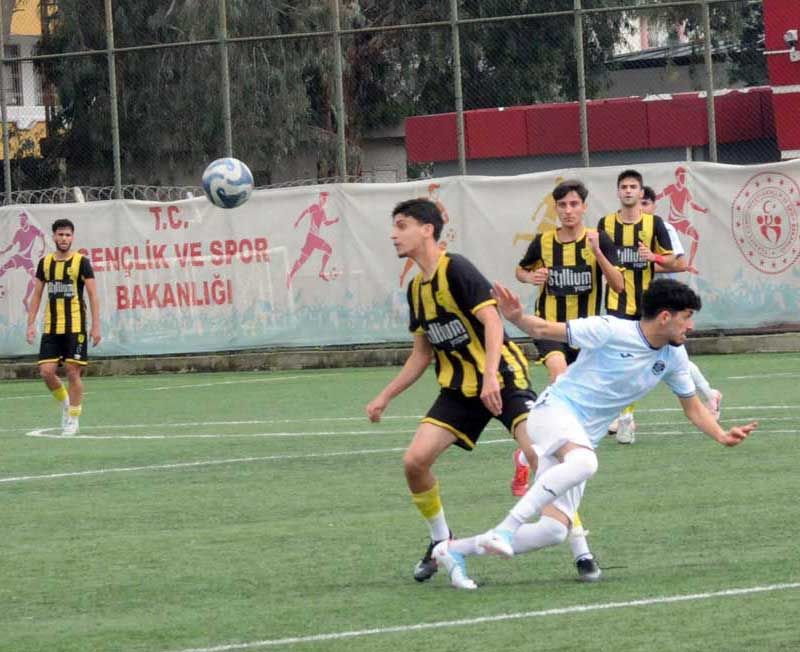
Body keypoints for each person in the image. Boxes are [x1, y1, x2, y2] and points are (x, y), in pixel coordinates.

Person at [431, 278, 757, 590]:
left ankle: (454, 550)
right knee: (586, 463)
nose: (691, 327)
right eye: (687, 318)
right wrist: (516, 316)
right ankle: (504, 529)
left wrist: (721, 436)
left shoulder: (673, 356)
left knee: (554, 531)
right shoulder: (611, 329)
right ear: (665, 317)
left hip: (580, 438)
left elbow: (693, 407)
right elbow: (545, 330)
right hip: (553, 412)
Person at [366, 198, 537, 584]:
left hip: (502, 377)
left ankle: (579, 544)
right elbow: (421, 354)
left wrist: (491, 375)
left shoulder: (456, 268)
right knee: (414, 462)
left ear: (427, 229)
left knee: (538, 451)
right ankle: (441, 540)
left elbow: (492, 322)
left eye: (402, 224)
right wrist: (386, 395)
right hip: (459, 390)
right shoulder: (415, 290)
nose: (393, 233)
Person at [509, 179, 624, 580]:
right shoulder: (543, 243)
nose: (569, 210)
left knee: (564, 461)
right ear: (556, 208)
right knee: (560, 380)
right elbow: (521, 271)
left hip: (587, 336)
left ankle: (528, 452)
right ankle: (581, 551)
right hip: (549, 331)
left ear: (584, 207)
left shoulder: (599, 239)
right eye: (563, 204)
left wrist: (598, 255)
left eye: (575, 203)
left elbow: (620, 285)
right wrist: (529, 279)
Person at [599, 169, 675, 444]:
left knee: (658, 361)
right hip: (615, 302)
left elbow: (674, 262)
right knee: (617, 360)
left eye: (633, 187)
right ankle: (624, 416)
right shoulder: (605, 224)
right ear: (618, 192)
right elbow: (599, 261)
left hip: (647, 305)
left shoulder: (654, 224)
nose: (629, 191)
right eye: (624, 186)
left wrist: (653, 256)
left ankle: (626, 414)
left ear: (641, 193)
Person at [642, 185, 722, 420]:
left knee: (676, 357)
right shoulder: (627, 231)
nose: (641, 208)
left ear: (654, 205)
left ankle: (708, 394)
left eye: (646, 203)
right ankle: (710, 393)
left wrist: (647, 263)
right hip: (639, 302)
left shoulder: (663, 228)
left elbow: (679, 263)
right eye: (639, 203)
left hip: (664, 303)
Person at [26, 219, 101, 436]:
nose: (64, 239)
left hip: (75, 326)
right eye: (60, 235)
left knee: (72, 371)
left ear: (73, 237)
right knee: (46, 372)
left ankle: (73, 419)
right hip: (52, 327)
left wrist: (96, 326)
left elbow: (93, 295)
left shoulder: (81, 262)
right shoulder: (45, 263)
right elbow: (37, 294)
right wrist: (30, 324)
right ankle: (67, 403)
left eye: (68, 235)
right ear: (54, 237)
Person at [655, 166, 709, 273]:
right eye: (681, 176)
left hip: (681, 220)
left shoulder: (685, 190)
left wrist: (702, 210)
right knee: (666, 245)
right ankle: (665, 264)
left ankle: (690, 264)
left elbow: (692, 204)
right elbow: (660, 196)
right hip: (672, 221)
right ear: (677, 177)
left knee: (696, 235)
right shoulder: (672, 188)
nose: (683, 179)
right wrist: (649, 201)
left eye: (684, 176)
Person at [286, 191, 340, 287]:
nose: (324, 201)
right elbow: (305, 212)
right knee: (304, 259)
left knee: (306, 258)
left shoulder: (323, 211)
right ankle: (291, 275)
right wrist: (297, 222)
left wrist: (334, 221)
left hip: (313, 238)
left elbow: (326, 223)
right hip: (312, 237)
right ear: (319, 198)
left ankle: (291, 275)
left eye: (326, 199)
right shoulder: (314, 207)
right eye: (323, 198)